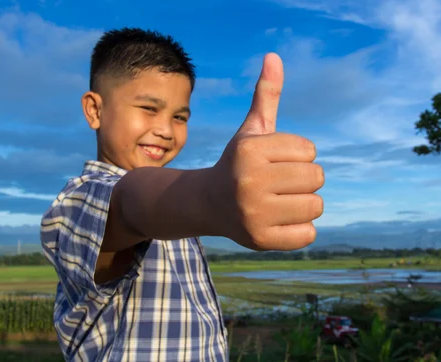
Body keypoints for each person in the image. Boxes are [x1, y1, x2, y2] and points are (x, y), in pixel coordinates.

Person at [40, 27, 324, 362]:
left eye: (179, 116)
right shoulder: (77, 203)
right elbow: (130, 204)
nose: (165, 129)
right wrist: (212, 197)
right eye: (148, 108)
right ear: (95, 110)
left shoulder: (175, 209)